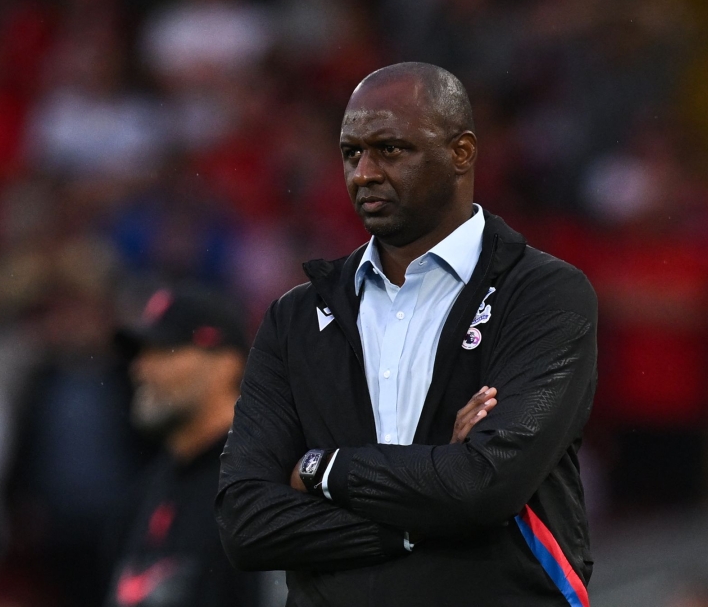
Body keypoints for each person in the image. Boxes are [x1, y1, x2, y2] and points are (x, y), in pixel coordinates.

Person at [216, 62, 597, 606]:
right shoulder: (295, 317)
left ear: (462, 153)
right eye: (351, 153)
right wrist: (424, 510)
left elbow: (487, 484)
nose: (363, 173)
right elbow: (245, 522)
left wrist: (322, 468)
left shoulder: (543, 293)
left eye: (390, 150)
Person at [105, 285, 263, 607]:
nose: (140, 369)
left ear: (227, 364)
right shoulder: (140, 496)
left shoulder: (263, 488)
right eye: (140, 354)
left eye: (164, 351)